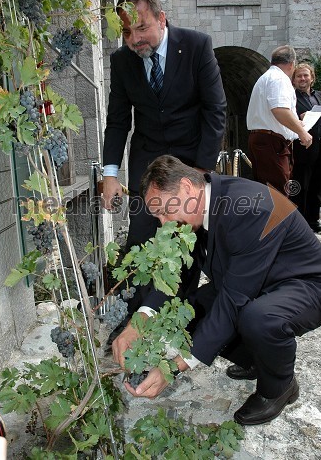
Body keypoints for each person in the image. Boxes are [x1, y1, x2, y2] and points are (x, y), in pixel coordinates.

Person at [112, 155, 321, 426]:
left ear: (187, 187)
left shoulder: (249, 209)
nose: (163, 224)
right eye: (157, 216)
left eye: (164, 211)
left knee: (258, 318)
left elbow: (232, 303)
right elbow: (175, 275)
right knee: (190, 310)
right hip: (255, 284)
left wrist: (172, 369)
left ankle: (279, 387)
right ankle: (261, 360)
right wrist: (137, 322)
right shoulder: (192, 213)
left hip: (306, 285)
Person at [102, 0, 226, 312]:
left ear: (161, 17)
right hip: (147, 161)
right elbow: (117, 122)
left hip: (191, 160)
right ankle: (136, 321)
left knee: (189, 241)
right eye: (127, 31)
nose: (134, 38)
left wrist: (201, 171)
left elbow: (216, 110)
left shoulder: (197, 46)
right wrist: (110, 174)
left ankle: (179, 316)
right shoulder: (121, 60)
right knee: (142, 236)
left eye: (141, 28)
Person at [246, 45, 312, 196]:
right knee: (278, 194)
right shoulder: (279, 79)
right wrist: (302, 132)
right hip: (271, 143)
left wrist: (296, 124)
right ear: (292, 64)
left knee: (268, 192)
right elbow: (280, 110)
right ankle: (279, 220)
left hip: (265, 140)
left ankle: (272, 220)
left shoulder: (267, 77)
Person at [290, 63, 321, 231]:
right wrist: (298, 118)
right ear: (294, 80)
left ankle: (313, 221)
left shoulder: (319, 96)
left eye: (305, 75)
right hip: (302, 148)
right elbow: (285, 118)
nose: (303, 79)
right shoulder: (291, 98)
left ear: (312, 78)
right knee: (301, 185)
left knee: (317, 185)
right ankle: (300, 224)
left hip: (319, 147)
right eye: (299, 76)